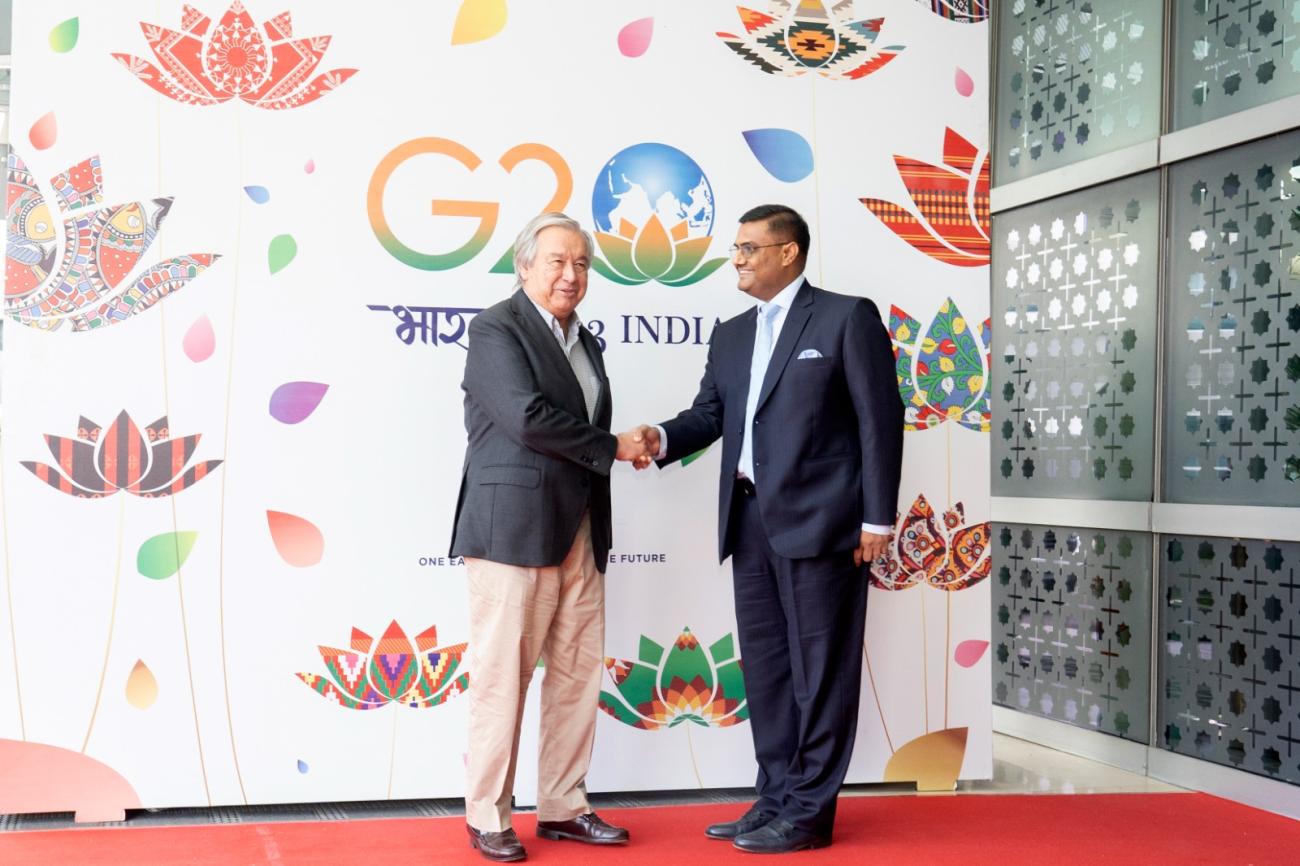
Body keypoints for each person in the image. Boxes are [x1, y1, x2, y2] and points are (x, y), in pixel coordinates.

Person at [625, 204, 903, 853]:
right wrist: (659, 437)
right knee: (772, 672)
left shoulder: (845, 317)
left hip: (826, 524)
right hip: (748, 522)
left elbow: (878, 421)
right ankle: (776, 795)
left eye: (751, 248)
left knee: (821, 672)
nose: (739, 259)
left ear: (790, 253)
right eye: (737, 248)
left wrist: (877, 518)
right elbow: (708, 416)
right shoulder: (730, 335)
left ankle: (808, 813)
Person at [451, 212, 648, 862]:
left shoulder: (585, 342)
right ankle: (488, 814)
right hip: (513, 534)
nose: (571, 274)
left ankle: (564, 806)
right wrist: (613, 446)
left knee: (574, 676)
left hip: (582, 531)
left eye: (583, 264)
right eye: (558, 261)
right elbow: (528, 419)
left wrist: (618, 446)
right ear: (525, 265)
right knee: (503, 679)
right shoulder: (495, 329)